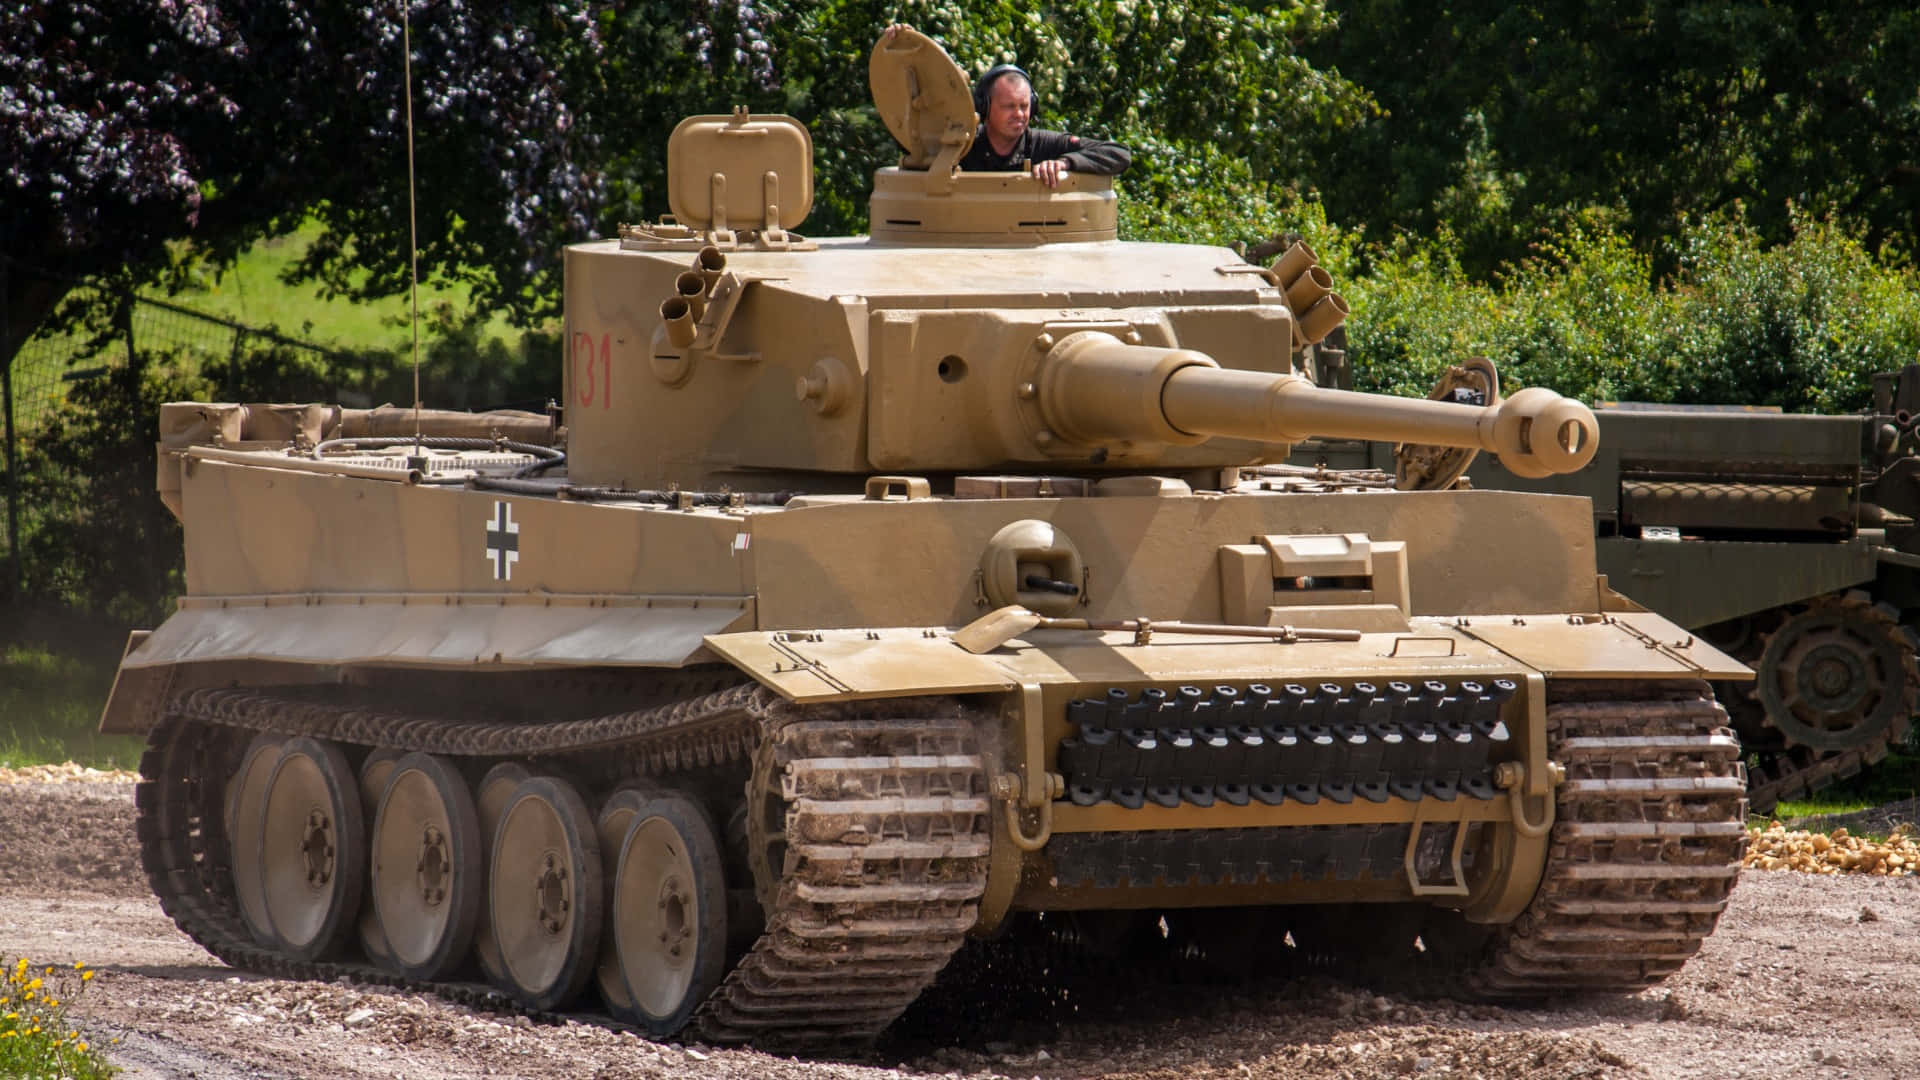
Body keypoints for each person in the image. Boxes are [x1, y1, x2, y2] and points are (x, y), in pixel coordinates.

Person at [957, 64, 1131, 187]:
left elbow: (1119, 154)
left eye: (1024, 106)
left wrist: (1064, 163)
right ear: (985, 107)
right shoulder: (964, 145)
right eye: (1009, 106)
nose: (1019, 114)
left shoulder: (1041, 144)